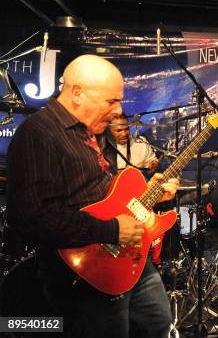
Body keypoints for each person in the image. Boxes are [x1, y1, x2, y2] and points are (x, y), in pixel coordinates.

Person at [6, 54, 179, 338]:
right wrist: (111, 230)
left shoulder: (92, 132)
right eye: (111, 101)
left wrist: (148, 196)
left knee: (157, 325)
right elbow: (30, 216)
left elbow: (103, 195)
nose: (118, 110)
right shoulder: (38, 134)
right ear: (77, 93)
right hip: (88, 270)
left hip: (128, 258)